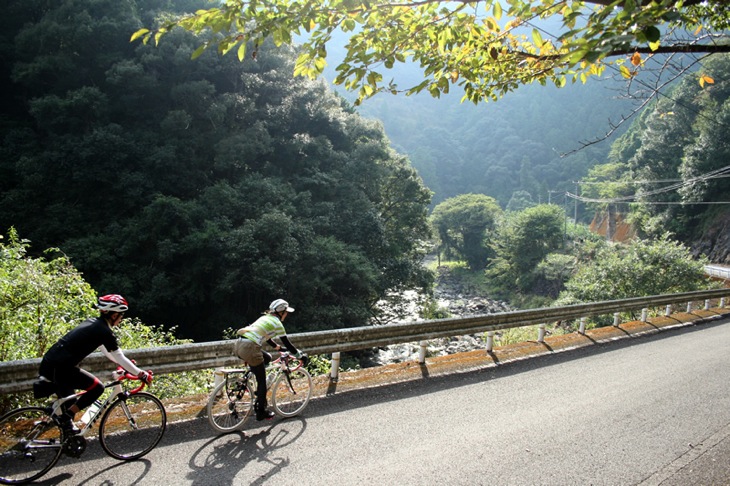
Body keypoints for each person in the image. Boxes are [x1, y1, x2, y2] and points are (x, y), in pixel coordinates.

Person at [38, 294, 153, 433]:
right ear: (114, 314)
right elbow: (120, 357)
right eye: (121, 315)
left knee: (69, 402)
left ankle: (65, 432)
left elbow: (110, 353)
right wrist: (141, 373)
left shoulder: (93, 324)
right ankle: (65, 419)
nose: (121, 318)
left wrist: (128, 367)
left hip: (52, 364)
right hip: (60, 368)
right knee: (97, 388)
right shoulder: (104, 331)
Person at [234, 298, 307, 421]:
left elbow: (266, 337)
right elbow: (288, 344)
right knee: (262, 381)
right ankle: (261, 411)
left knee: (267, 357)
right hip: (251, 347)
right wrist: (301, 355)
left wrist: (278, 348)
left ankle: (249, 379)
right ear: (281, 312)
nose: (287, 314)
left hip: (239, 345)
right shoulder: (278, 324)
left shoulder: (264, 318)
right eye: (286, 312)